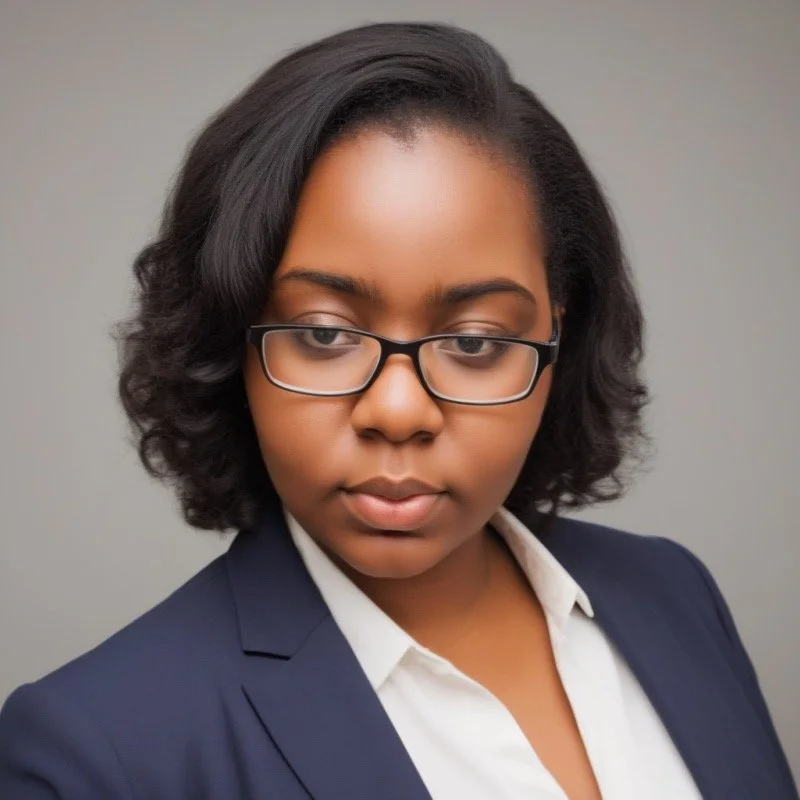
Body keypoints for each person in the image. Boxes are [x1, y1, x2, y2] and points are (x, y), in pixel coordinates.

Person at [0, 20, 796, 800]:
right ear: (229, 340)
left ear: (558, 337)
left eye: (477, 342)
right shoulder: (99, 752)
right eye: (322, 333)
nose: (398, 410)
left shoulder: (672, 592)